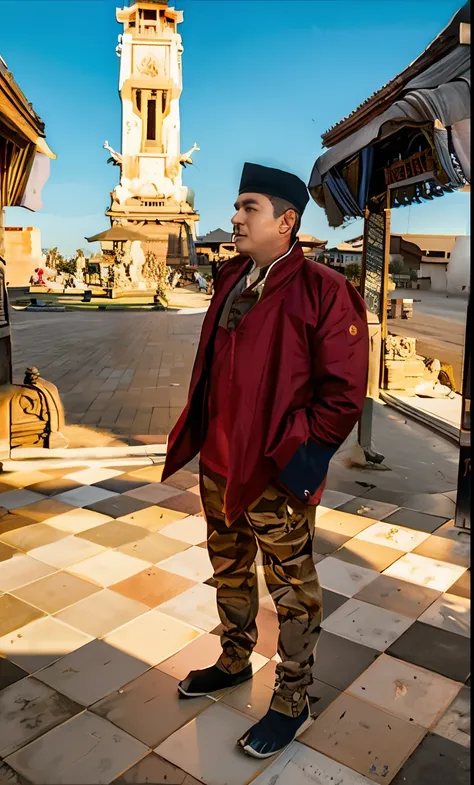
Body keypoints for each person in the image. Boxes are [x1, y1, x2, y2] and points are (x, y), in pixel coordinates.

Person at [162, 162, 369, 758]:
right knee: (228, 570)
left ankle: (294, 697)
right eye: (236, 206)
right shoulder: (231, 279)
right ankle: (233, 659)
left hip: (272, 473)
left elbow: (343, 396)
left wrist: (296, 457)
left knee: (292, 589)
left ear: (286, 221)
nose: (234, 217)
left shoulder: (324, 292)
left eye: (248, 207)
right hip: (220, 465)